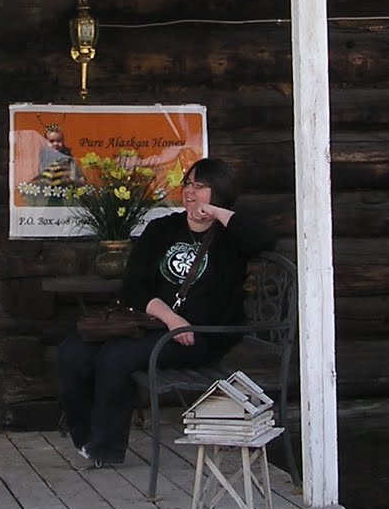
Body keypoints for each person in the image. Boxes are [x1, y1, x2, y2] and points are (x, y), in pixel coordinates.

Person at [57, 156, 275, 467]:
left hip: (203, 335)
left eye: (201, 187)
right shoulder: (162, 229)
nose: (190, 192)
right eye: (188, 184)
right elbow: (133, 286)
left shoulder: (231, 239)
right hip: (157, 324)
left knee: (118, 356)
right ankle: (85, 436)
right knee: (72, 351)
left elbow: (265, 240)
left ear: (220, 191)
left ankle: (107, 448)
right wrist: (172, 319)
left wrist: (214, 212)